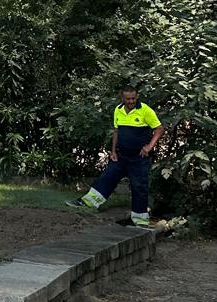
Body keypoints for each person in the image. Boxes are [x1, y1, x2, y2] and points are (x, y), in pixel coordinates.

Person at [66, 85, 161, 226]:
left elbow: (159, 128)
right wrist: (113, 151)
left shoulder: (145, 110)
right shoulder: (118, 110)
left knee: (139, 187)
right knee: (107, 178)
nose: (131, 101)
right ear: (122, 98)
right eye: (128, 99)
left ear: (137, 97)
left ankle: (140, 220)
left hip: (138, 159)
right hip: (121, 156)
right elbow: (116, 131)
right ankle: (88, 203)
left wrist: (149, 146)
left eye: (133, 98)